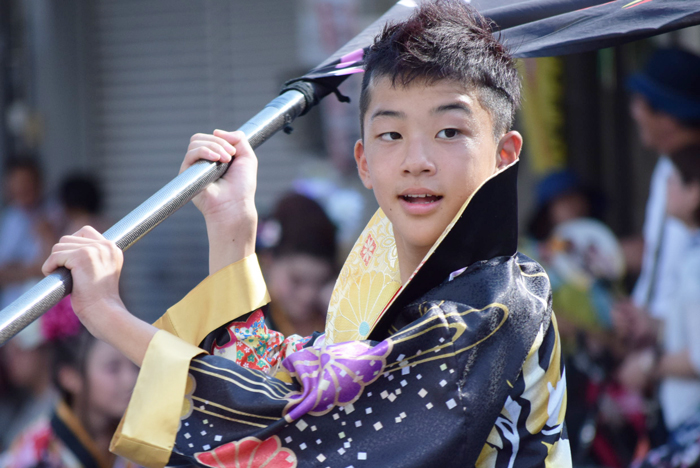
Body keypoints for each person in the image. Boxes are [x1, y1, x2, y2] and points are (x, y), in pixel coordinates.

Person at [41, 1, 570, 467]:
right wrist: (233, 228)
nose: (417, 161)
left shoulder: (499, 304)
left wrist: (108, 316)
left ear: (505, 155)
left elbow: (299, 427)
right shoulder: (378, 284)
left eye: (449, 131)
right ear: (364, 162)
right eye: (391, 134)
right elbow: (273, 377)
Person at [615, 48, 700, 349]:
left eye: (642, 103)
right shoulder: (667, 168)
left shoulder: (684, 175)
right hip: (656, 347)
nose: (634, 111)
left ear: (668, 117)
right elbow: (660, 255)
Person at [623, 144, 700, 467]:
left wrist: (648, 366)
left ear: (695, 192)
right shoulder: (692, 256)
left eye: (673, 181)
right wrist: (654, 326)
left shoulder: (697, 263)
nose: (665, 189)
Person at [0, 298, 140, 468]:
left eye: (133, 365)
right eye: (113, 368)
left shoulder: (141, 434)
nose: (130, 380)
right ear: (70, 377)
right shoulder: (36, 453)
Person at [257, 192, 338, 337]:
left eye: (322, 282)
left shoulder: (342, 318)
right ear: (268, 260)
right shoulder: (247, 325)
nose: (308, 295)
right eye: (297, 280)